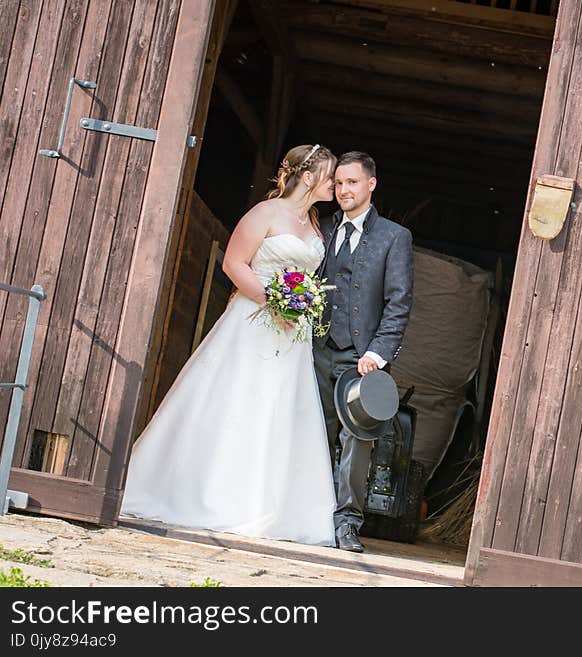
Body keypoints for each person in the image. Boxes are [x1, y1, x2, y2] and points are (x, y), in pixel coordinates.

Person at [120, 144, 339, 547]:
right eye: (329, 175)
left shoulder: (312, 220)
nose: (334, 183)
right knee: (238, 404)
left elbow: (305, 275)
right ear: (308, 178)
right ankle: (213, 498)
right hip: (253, 324)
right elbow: (234, 264)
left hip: (293, 336)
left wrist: (299, 307)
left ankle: (269, 506)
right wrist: (273, 303)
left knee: (281, 412)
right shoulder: (264, 214)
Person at [313, 151, 414, 552]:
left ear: (371, 184)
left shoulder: (394, 237)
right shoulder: (320, 229)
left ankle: (346, 524)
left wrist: (378, 353)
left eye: (351, 182)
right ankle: (310, 512)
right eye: (338, 183)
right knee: (314, 433)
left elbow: (399, 302)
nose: (343, 191)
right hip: (315, 350)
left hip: (362, 358)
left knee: (357, 439)